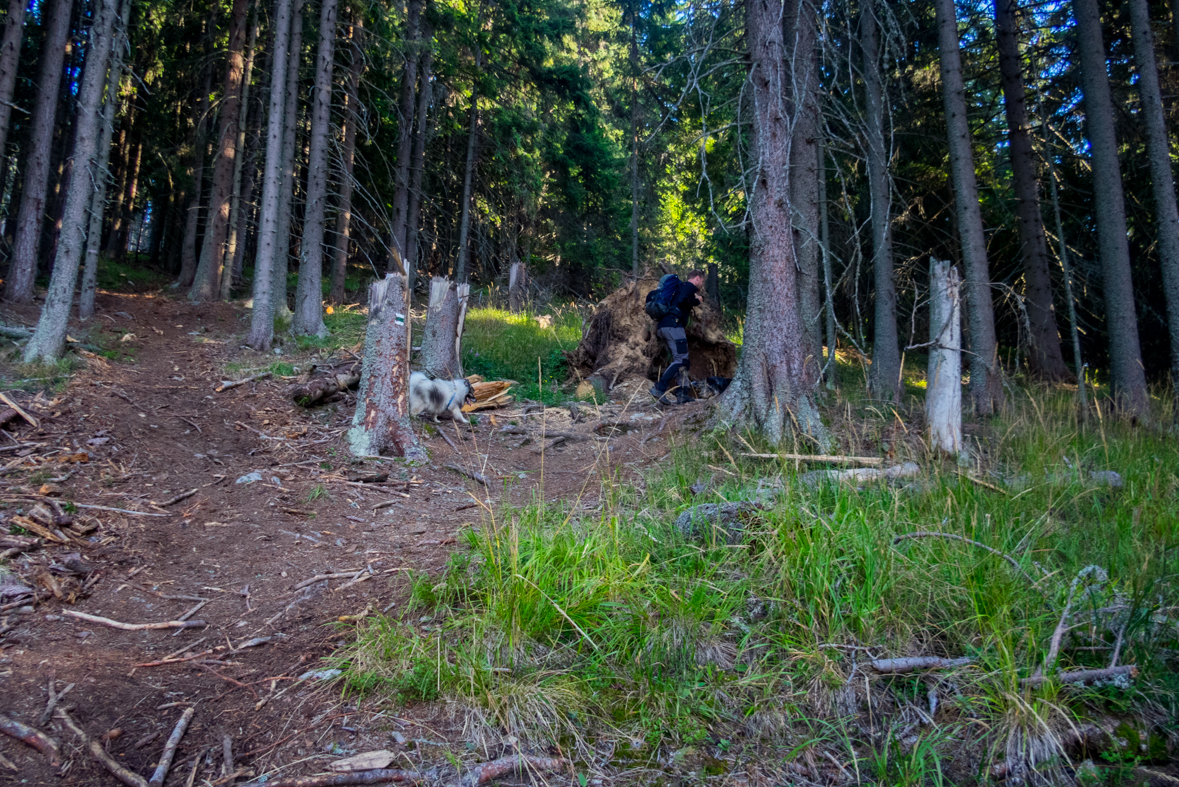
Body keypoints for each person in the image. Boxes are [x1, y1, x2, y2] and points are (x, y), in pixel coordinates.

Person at [650, 270, 706, 405]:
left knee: (683, 360)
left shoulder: (680, 288)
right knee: (681, 359)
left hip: (665, 326)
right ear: (697, 278)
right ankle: (659, 388)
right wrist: (697, 300)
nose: (702, 284)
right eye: (702, 281)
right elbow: (683, 300)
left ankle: (682, 393)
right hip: (673, 326)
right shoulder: (688, 286)